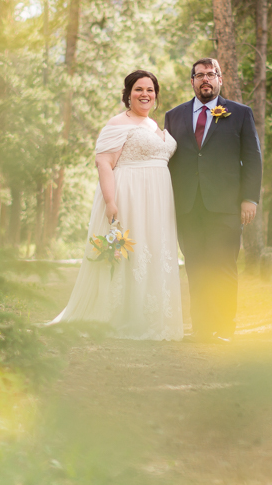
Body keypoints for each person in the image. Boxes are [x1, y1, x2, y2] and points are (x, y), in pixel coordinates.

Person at [49, 70, 184, 341]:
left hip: (158, 201)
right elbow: (104, 164)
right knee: (130, 256)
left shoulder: (153, 125)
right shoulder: (118, 123)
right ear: (128, 94)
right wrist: (111, 202)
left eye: (150, 89)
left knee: (153, 252)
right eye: (138, 89)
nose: (145, 94)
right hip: (130, 197)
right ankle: (121, 317)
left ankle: (151, 317)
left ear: (156, 95)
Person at [164, 58, 262, 343]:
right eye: (200, 75)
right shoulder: (174, 116)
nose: (205, 79)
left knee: (223, 266)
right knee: (196, 267)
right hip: (188, 206)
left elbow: (253, 157)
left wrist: (249, 198)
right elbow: (169, 160)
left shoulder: (240, 113)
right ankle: (201, 328)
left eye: (211, 74)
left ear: (220, 79)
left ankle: (224, 327)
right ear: (192, 81)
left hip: (226, 206)